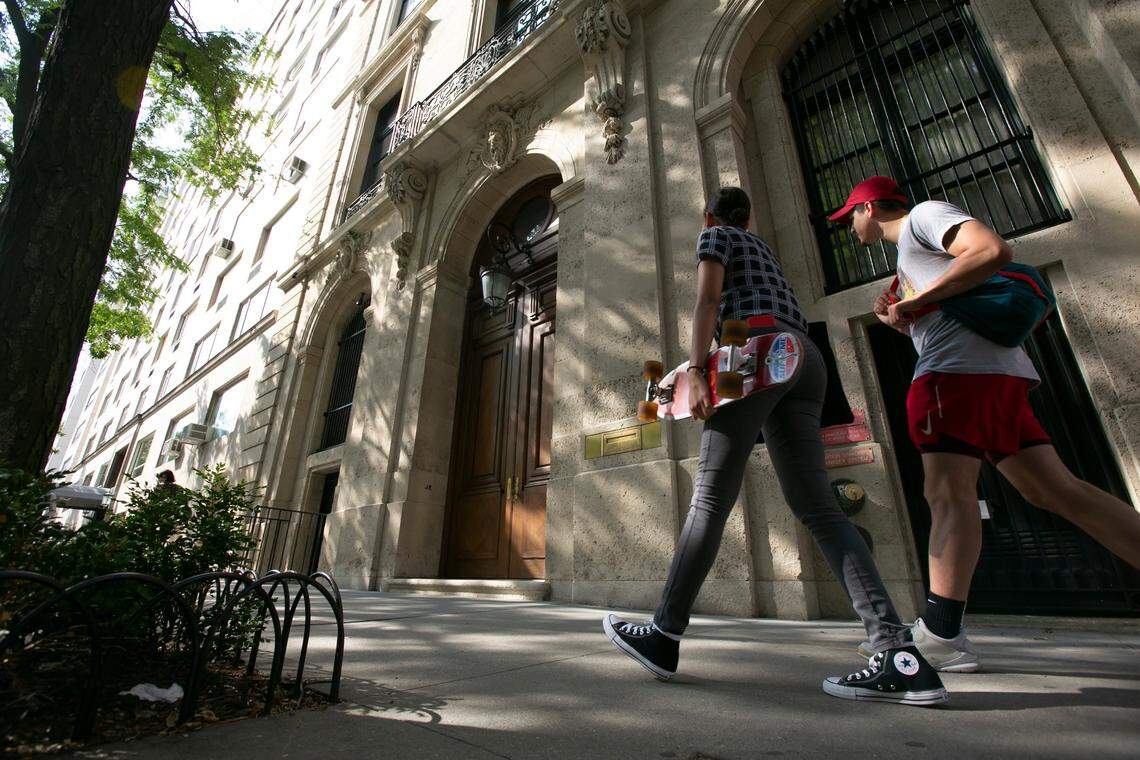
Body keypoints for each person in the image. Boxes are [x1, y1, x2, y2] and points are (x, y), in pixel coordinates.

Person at [602, 187, 947, 706]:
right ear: (751, 216)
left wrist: (697, 370)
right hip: (804, 357)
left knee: (710, 499)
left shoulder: (714, 236)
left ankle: (664, 635)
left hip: (755, 354)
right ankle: (899, 653)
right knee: (820, 510)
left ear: (709, 216)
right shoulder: (764, 251)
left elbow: (707, 300)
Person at [832, 175, 1140, 673]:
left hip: (956, 375)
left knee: (946, 494)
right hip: (997, 376)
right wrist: (901, 316)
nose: (849, 228)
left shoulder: (924, 217)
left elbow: (992, 250)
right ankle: (939, 629)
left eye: (849, 218)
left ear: (868, 208)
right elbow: (948, 301)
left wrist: (914, 301)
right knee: (1056, 491)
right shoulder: (910, 254)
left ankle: (941, 633)